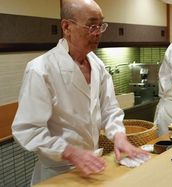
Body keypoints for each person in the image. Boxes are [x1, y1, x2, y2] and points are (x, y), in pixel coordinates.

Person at [11, 0, 147, 184]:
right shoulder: (40, 69)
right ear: (67, 27)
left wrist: (119, 136)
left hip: (94, 166)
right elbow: (28, 129)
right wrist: (70, 152)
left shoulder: (97, 65)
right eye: (91, 26)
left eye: (100, 25)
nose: (98, 32)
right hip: (58, 173)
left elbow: (110, 110)